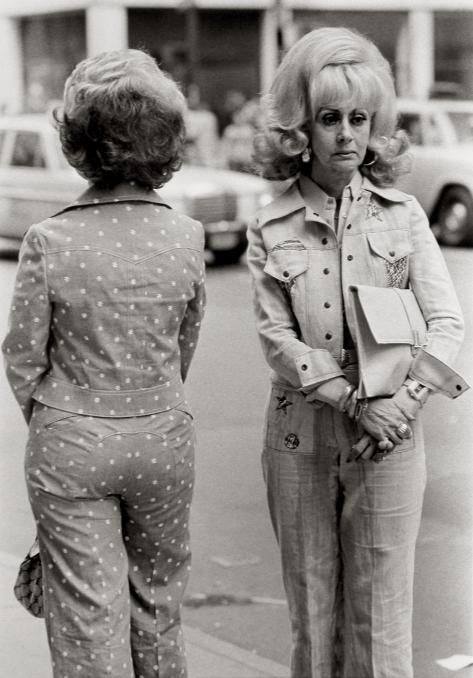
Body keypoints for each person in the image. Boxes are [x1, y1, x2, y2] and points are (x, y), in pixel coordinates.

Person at [247, 26, 467, 678]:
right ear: (299, 129)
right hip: (299, 441)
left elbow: (446, 321)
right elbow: (274, 336)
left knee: (382, 627)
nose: (345, 133)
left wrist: (403, 404)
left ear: (374, 124)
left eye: (358, 118)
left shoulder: (402, 215)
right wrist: (350, 400)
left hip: (389, 440)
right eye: (327, 118)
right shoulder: (270, 224)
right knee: (312, 629)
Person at [2, 49, 205, 678]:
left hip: (72, 442)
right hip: (163, 438)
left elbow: (21, 356)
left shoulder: (50, 239)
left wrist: (59, 417)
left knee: (89, 617)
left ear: (78, 141)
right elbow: (183, 343)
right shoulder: (186, 235)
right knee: (158, 604)